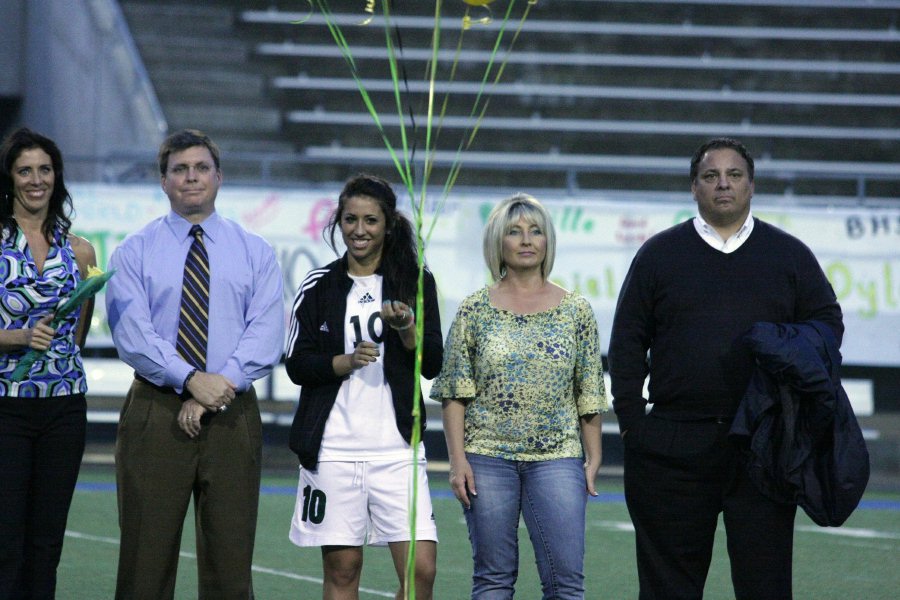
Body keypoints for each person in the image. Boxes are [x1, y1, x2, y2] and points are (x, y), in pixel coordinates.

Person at [608, 137, 844, 599]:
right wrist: (635, 425)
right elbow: (627, 342)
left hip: (763, 442)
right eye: (711, 176)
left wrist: (786, 352)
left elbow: (827, 325)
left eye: (734, 175)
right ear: (693, 187)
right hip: (674, 441)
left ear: (751, 185)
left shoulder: (789, 254)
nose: (723, 184)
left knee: (765, 585)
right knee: (667, 588)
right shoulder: (659, 254)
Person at [105, 129, 284, 599]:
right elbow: (132, 335)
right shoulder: (134, 252)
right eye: (179, 169)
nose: (191, 177)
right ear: (163, 181)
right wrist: (189, 379)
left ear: (219, 177)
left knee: (230, 566)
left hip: (232, 414)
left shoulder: (255, 252)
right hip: (156, 410)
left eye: (201, 168)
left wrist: (214, 388)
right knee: (146, 561)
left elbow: (265, 334)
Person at [430, 193, 607, 599]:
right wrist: (457, 462)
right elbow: (454, 393)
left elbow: (590, 391)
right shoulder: (473, 310)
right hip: (486, 457)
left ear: (548, 242)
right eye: (514, 231)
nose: (526, 240)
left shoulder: (576, 310)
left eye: (536, 231)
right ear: (499, 243)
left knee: (566, 584)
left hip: (558, 458)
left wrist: (593, 456)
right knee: (493, 580)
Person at [284, 173, 442, 600]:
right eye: (350, 219)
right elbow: (297, 364)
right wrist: (346, 361)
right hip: (334, 449)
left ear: (388, 224)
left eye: (370, 221)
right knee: (343, 571)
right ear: (338, 222)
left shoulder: (416, 280)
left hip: (398, 451)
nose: (359, 230)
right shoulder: (319, 285)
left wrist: (407, 327)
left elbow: (433, 364)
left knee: (420, 571)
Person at [0, 127, 97, 598]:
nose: (36, 180)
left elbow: (77, 332)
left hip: (63, 408)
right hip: (6, 408)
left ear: (56, 177)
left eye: (45, 169)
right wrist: (17, 337)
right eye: (25, 170)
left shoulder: (79, 251)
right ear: (9, 178)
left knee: (46, 542)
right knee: (5, 542)